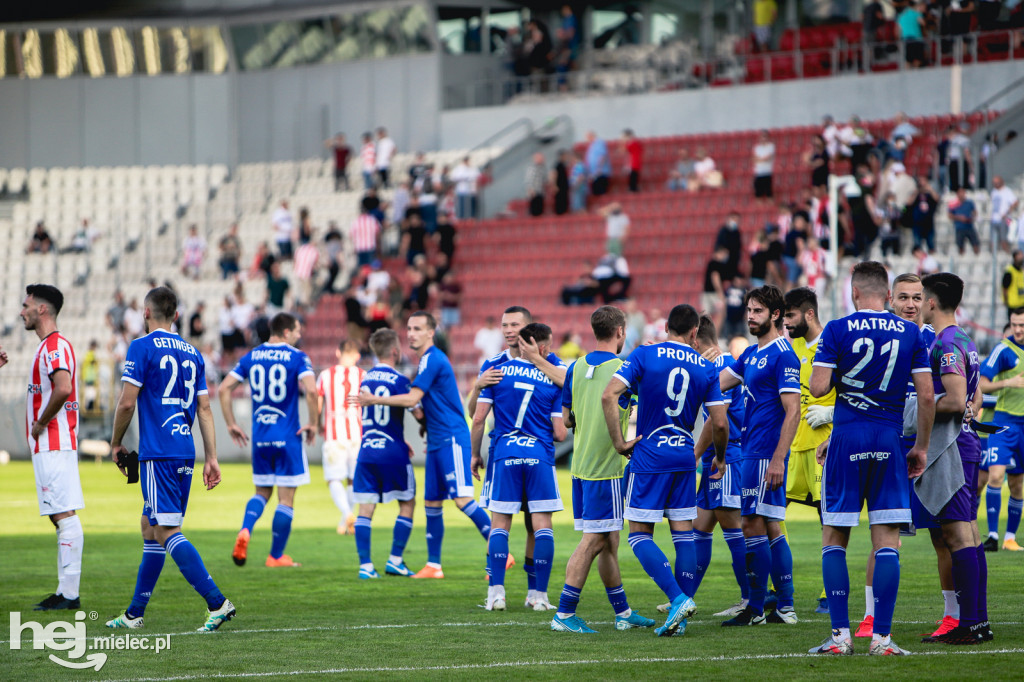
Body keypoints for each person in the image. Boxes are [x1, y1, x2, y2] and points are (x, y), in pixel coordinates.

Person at [808, 261, 934, 656]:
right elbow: (927, 396)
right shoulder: (912, 333)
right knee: (888, 543)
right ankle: (881, 638)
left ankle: (840, 637)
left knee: (834, 538)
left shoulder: (837, 328)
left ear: (854, 291)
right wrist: (921, 447)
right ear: (887, 294)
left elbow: (818, 385)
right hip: (888, 438)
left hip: (847, 439)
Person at [105, 286, 235, 632]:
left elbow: (127, 402)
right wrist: (212, 457)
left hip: (158, 452)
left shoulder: (141, 347)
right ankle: (135, 613)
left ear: (146, 314)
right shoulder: (193, 352)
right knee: (150, 526)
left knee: (166, 529)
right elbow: (204, 408)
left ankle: (217, 602)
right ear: (176, 315)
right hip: (185, 451)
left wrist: (115, 442)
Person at [603, 303, 726, 637]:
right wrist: (719, 457)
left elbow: (608, 395)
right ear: (692, 334)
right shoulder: (705, 367)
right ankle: (679, 622)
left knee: (639, 534)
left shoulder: (645, 355)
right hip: (685, 456)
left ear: (667, 327)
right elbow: (719, 422)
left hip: (650, 454)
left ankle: (677, 599)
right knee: (682, 533)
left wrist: (619, 442)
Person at [359, 312, 493, 578]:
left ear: (431, 332)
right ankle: (434, 565)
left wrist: (374, 399)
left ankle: (499, 550)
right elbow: (427, 405)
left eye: (417, 328)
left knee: (461, 498)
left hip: (451, 437)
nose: (411, 333)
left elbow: (412, 400)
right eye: (409, 328)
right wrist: (424, 426)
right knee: (431, 502)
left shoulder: (432, 358)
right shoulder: (424, 361)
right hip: (435, 439)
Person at [549, 306, 656, 633]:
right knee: (595, 540)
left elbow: (567, 420)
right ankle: (564, 614)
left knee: (609, 540)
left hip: (581, 467)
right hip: (606, 467)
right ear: (621, 332)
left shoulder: (576, 367)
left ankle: (623, 613)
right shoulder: (624, 368)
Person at [466, 306, 567, 598]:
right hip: (534, 453)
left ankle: (509, 590)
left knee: (511, 522)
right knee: (535, 521)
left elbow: (566, 380)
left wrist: (537, 359)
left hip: (506, 454)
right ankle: (536, 593)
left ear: (528, 328)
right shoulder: (493, 364)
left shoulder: (550, 361)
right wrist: (476, 387)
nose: (509, 330)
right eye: (505, 325)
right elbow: (475, 411)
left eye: (515, 324)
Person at [719, 285, 801, 626]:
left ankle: (755, 608)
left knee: (752, 523)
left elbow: (793, 410)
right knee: (769, 524)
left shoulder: (783, 354)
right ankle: (784, 606)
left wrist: (779, 458)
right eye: (749, 310)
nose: (750, 316)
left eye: (757, 311)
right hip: (753, 450)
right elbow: (720, 380)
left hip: (766, 453)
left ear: (775, 314)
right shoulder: (751, 354)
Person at [917, 273, 991, 645]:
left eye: (921, 297)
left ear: (932, 302)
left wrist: (917, 407)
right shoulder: (964, 338)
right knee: (970, 533)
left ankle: (970, 624)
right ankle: (979, 621)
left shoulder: (944, 343)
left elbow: (957, 398)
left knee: (956, 534)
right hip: (968, 443)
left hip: (954, 448)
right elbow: (974, 398)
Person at [219, 313, 319, 568]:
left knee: (261, 492)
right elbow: (312, 390)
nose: (299, 335)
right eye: (297, 331)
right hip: (288, 436)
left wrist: (231, 423)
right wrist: (314, 422)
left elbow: (223, 389)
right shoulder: (298, 357)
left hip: (260, 438)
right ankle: (275, 556)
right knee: (285, 499)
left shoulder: (251, 356)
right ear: (286, 332)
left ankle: (245, 529)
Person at [7, 285, 84, 611]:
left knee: (63, 515)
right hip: (51, 445)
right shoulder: (48, 347)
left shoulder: (54, 347)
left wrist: (40, 423)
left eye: (26, 305)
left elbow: (63, 387)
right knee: (59, 515)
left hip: (53, 442)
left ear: (41, 310)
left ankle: (69, 594)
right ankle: (65, 591)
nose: (21, 311)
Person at [686, 315, 751, 618]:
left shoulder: (722, 366)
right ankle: (683, 597)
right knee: (700, 527)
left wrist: (695, 454)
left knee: (733, 527)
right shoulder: (711, 365)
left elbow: (717, 419)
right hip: (716, 455)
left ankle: (748, 598)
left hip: (726, 455)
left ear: (695, 340)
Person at [351, 330, 421, 579]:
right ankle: (395, 560)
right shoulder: (400, 379)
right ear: (395, 351)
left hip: (368, 449)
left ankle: (366, 566)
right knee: (408, 502)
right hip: (393, 451)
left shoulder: (365, 380)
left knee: (365, 508)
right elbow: (418, 412)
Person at [783, 287, 836, 615]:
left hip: (823, 447)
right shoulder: (791, 348)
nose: (786, 322)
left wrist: (833, 414)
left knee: (827, 519)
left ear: (809, 314)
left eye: (790, 316)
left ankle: (828, 592)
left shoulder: (834, 344)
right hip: (792, 447)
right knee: (767, 513)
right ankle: (777, 587)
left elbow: (854, 390)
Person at [979, 307, 1024, 552]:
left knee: (1018, 485)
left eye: (1022, 325)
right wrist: (1009, 382)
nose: (1018, 329)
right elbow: (982, 384)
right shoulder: (1004, 349)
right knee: (995, 476)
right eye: (1015, 324)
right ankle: (993, 535)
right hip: (1004, 424)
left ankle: (1009, 538)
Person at [317, 340, 365, 536]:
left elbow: (318, 400)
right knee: (353, 480)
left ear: (338, 352)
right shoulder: (363, 375)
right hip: (357, 433)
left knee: (334, 478)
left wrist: (316, 422)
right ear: (357, 355)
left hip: (334, 433)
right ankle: (347, 518)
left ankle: (346, 514)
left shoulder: (326, 375)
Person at [991, 176, 1019, 253]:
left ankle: (1006, 255)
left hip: (1004, 219)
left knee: (1004, 239)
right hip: (994, 219)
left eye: (997, 183)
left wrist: (1007, 212)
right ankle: (994, 256)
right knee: (993, 240)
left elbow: (1015, 202)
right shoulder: (994, 191)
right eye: (994, 183)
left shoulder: (1007, 191)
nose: (995, 184)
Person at [949, 187, 981, 256]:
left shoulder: (969, 203)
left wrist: (972, 217)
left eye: (963, 192)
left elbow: (975, 212)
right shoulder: (953, 203)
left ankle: (977, 256)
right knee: (960, 245)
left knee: (975, 243)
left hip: (969, 226)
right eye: (960, 193)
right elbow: (950, 215)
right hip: (959, 227)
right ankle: (961, 257)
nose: (962, 194)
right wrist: (959, 218)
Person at [752, 130, 775, 201]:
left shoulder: (771, 146)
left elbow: (768, 158)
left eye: (765, 136)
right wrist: (762, 159)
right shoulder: (757, 147)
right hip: (758, 172)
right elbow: (754, 159)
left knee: (769, 192)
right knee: (758, 193)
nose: (763, 138)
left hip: (767, 172)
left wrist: (760, 160)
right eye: (762, 137)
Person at [585, 131, 611, 196]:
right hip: (593, 173)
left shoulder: (599, 143)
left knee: (600, 191)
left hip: (600, 172)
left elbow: (602, 156)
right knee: (595, 192)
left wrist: (599, 168)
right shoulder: (592, 145)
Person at [1003, 250, 1024, 322]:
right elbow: (1005, 288)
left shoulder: (1021, 271)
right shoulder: (1010, 272)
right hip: (1013, 306)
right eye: (1020, 255)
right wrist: (1006, 301)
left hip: (1022, 305)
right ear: (1015, 257)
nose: (1022, 257)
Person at [526, 153, 547, 217]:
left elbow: (543, 179)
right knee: (535, 209)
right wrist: (531, 189)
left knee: (540, 208)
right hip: (534, 191)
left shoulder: (542, 168)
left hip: (540, 191)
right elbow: (529, 179)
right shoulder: (532, 168)